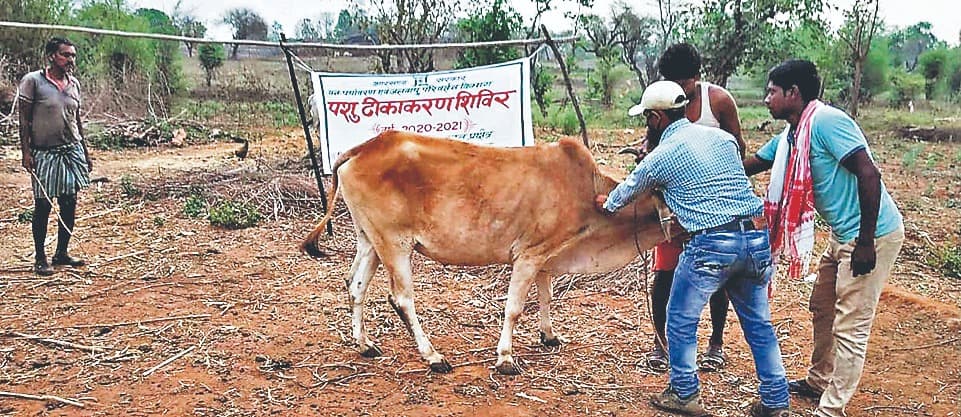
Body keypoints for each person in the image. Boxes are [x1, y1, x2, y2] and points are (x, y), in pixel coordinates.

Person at [596, 81, 790, 417]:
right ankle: (776, 401)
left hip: (712, 244)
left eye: (647, 119)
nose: (646, 126)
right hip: (755, 238)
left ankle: (684, 393)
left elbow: (624, 194)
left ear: (657, 118)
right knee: (759, 325)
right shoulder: (724, 140)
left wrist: (606, 203)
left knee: (680, 319)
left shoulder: (662, 155)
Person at [744, 59, 904, 417]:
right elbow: (752, 163)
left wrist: (864, 242)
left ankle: (831, 410)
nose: (766, 99)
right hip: (843, 235)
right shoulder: (791, 134)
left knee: (851, 325)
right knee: (822, 307)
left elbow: (869, 174)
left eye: (771, 92)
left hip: (872, 234)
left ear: (793, 93)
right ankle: (819, 380)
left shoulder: (828, 122)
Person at [642, 42, 748, 373]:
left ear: (697, 78)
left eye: (684, 85)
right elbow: (653, 143)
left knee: (718, 277)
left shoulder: (718, 101)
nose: (679, 91)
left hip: (714, 210)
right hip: (674, 206)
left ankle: (715, 343)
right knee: (665, 274)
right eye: (672, 84)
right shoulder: (662, 98)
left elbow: (738, 150)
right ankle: (661, 344)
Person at [19, 37, 92, 276]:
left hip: (71, 150)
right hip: (44, 152)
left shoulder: (74, 84)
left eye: (73, 55)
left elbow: (76, 120)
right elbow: (24, 120)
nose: (71, 60)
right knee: (43, 205)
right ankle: (40, 257)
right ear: (52, 56)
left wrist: (86, 153)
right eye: (65, 55)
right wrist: (26, 152)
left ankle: (61, 252)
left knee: (69, 202)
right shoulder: (33, 82)